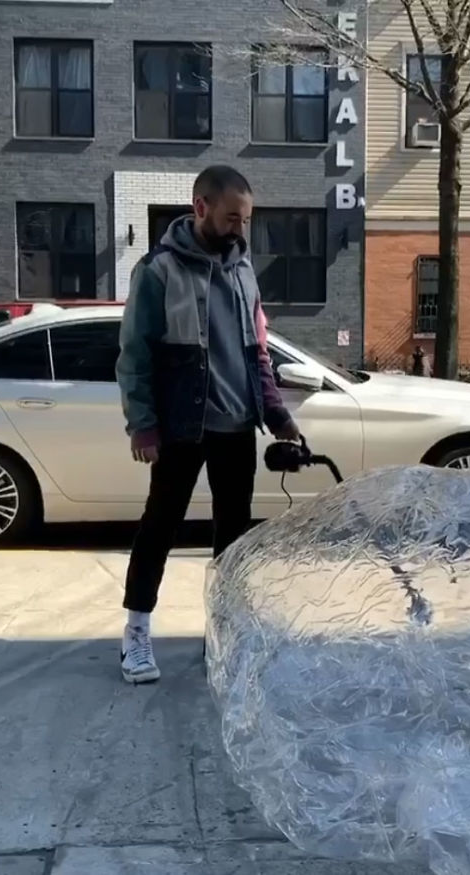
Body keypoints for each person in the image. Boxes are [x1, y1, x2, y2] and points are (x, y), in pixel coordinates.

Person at [115, 165, 299, 684]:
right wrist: (142, 425)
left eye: (246, 220)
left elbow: (257, 352)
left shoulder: (244, 271)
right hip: (180, 428)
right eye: (232, 218)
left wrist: (276, 411)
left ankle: (222, 632)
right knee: (160, 527)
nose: (241, 229)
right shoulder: (158, 272)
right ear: (201, 208)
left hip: (236, 427)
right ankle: (135, 635)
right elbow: (134, 355)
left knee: (234, 538)